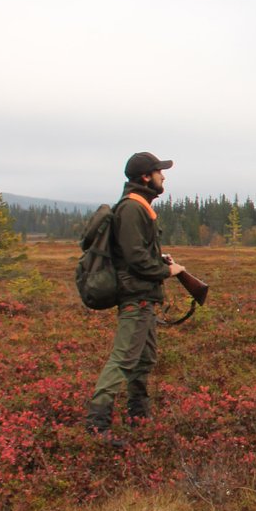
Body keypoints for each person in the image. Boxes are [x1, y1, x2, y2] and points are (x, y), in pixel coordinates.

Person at [85, 152, 185, 440]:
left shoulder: (139, 207)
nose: (163, 176)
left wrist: (160, 259)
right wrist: (168, 271)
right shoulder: (132, 208)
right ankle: (97, 424)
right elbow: (135, 257)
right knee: (123, 359)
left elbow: (137, 252)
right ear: (145, 177)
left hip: (144, 298)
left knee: (144, 359)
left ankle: (138, 417)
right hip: (137, 298)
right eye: (158, 172)